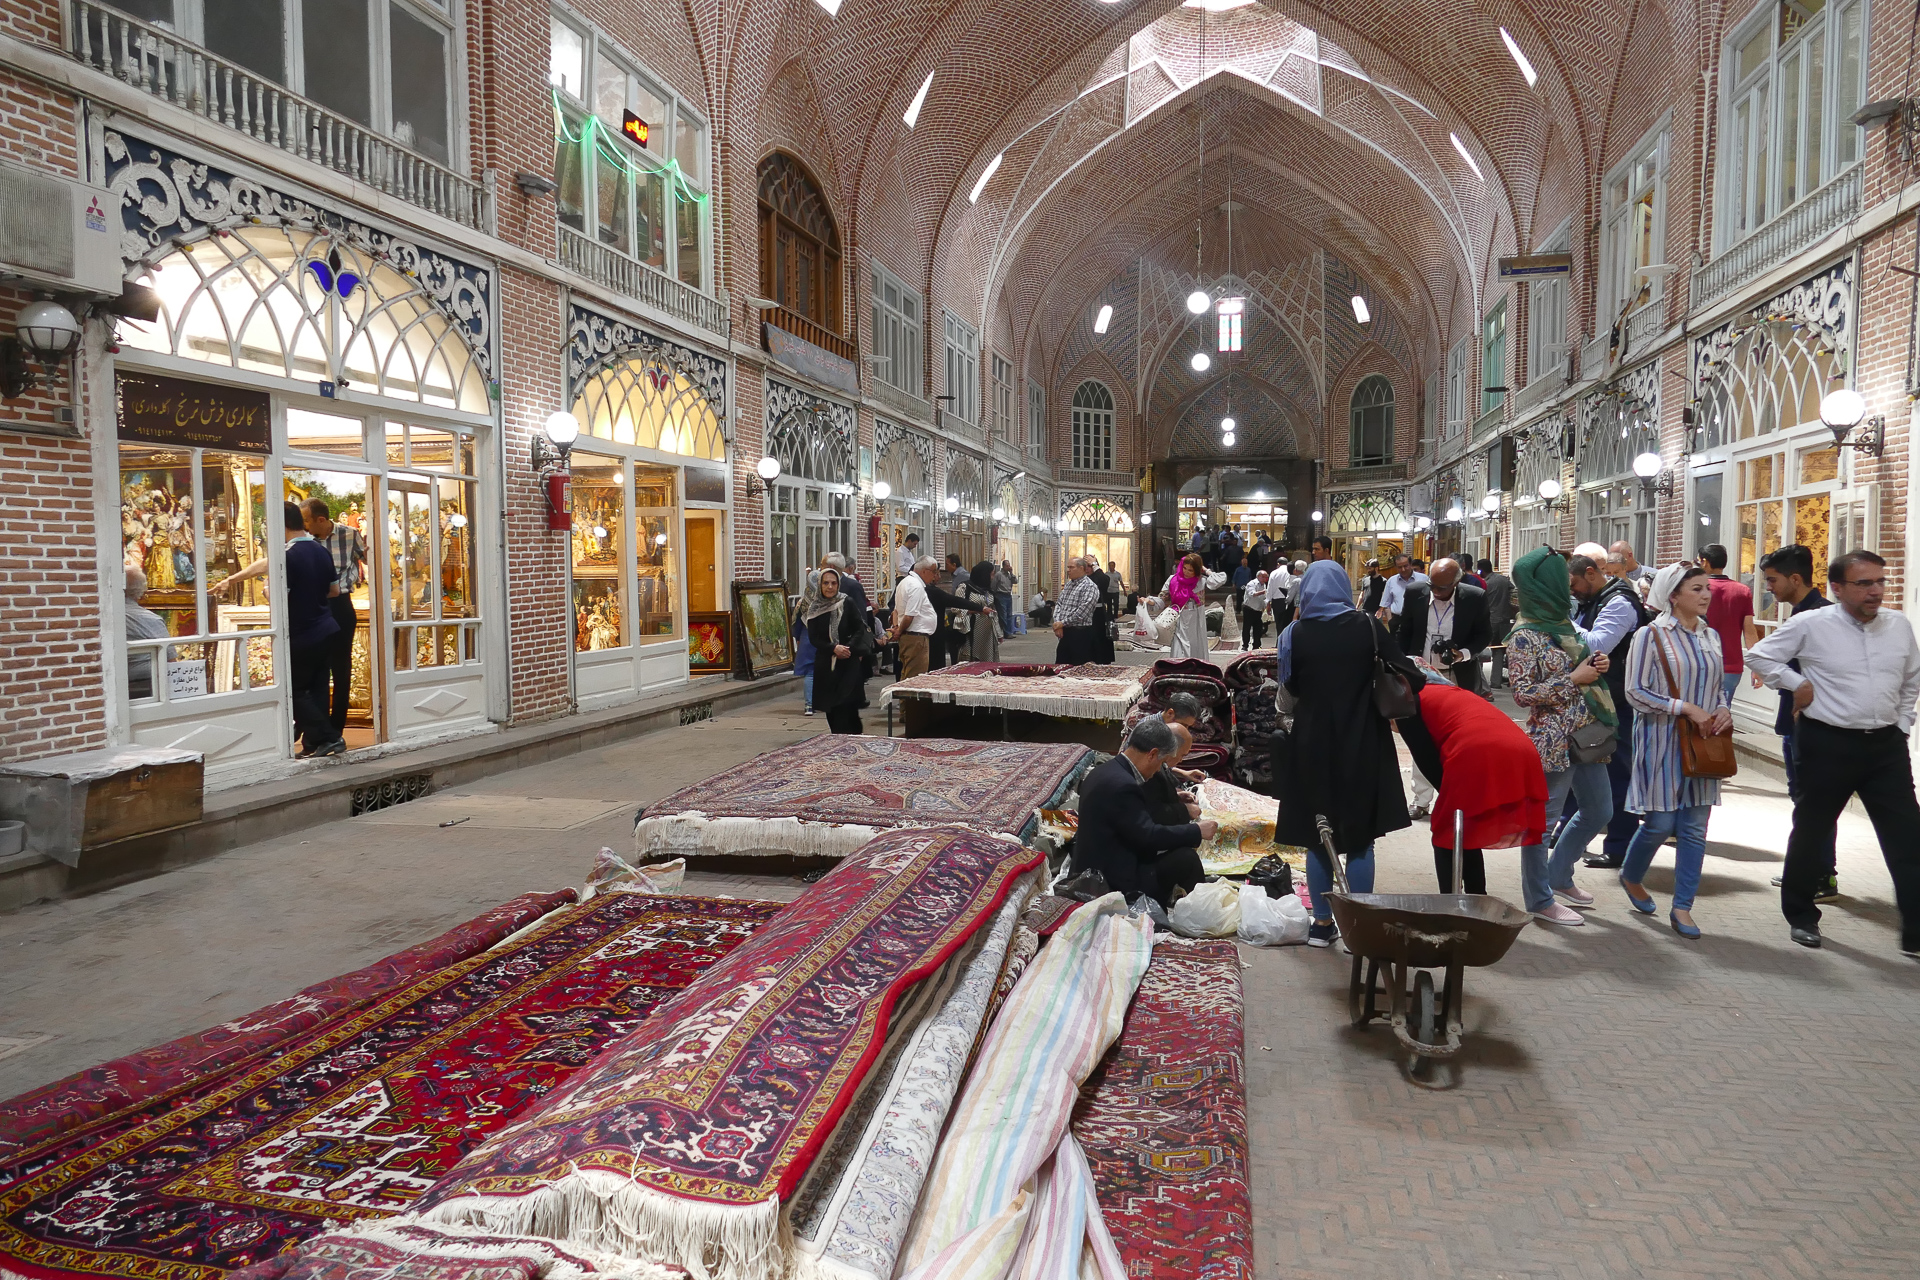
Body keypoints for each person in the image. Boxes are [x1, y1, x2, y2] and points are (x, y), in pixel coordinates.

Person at [1748, 550, 1920, 953]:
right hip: (1828, 742)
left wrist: (1903, 724)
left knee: (1908, 838)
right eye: (1864, 584)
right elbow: (1759, 655)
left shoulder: (1898, 626)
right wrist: (1794, 682)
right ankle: (1801, 915)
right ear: (1838, 588)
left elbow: (1911, 680)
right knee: (1812, 830)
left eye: (1880, 581)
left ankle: (1915, 931)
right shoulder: (1811, 624)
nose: (1875, 591)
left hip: (1886, 747)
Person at [1274, 561, 1424, 948]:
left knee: (1317, 834)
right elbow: (1409, 672)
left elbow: (1287, 694)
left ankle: (1322, 924)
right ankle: (1359, 925)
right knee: (1360, 838)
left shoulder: (1295, 633)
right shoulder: (1368, 626)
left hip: (1313, 744)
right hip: (1363, 741)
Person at [1616, 562, 1733, 938]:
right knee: (1660, 824)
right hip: (1661, 739)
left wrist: (1723, 708)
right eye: (1696, 589)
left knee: (1696, 829)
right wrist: (1683, 708)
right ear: (1673, 595)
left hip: (1705, 743)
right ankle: (1632, 875)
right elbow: (1634, 691)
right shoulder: (1650, 635)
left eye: (1706, 588)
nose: (1705, 595)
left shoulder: (1710, 635)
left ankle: (1683, 907)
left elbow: (1716, 685)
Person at [1504, 546, 1616, 926]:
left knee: (1600, 810)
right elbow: (1522, 694)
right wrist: (1573, 679)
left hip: (1585, 733)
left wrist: (1596, 664)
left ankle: (1559, 874)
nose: (1569, 584)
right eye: (1561, 578)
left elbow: (1582, 664)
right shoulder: (1525, 634)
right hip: (1552, 740)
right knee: (1542, 821)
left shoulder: (1563, 624)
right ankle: (1539, 898)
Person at [1396, 682, 1549, 894]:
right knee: (1466, 826)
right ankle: (1477, 898)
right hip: (1520, 747)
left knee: (1448, 829)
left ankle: (1450, 906)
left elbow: (1427, 761)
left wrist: (1450, 794)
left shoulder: (1407, 705)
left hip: (1478, 750)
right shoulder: (1440, 690)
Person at [1753, 546, 1839, 899]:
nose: (1769, 587)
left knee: (1813, 802)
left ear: (1795, 579)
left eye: (1772, 580)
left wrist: (1799, 685)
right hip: (1796, 723)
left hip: (1812, 726)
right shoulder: (1804, 614)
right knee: (1806, 800)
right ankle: (1813, 870)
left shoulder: (1819, 617)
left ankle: (1820, 875)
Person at [1074, 718, 1219, 909]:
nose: (1159, 770)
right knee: (1186, 859)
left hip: (1097, 864)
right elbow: (1148, 836)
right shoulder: (1123, 785)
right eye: (1161, 763)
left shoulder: (1103, 771)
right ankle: (1203, 912)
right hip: (1110, 880)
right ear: (1152, 754)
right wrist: (1196, 831)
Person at [1564, 549, 1649, 869]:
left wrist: (1562, 622)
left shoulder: (1620, 602)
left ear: (1590, 573)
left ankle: (1619, 846)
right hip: (1596, 699)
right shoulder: (1592, 599)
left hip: (1617, 702)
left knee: (1617, 773)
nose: (1571, 590)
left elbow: (1596, 644)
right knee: (1582, 767)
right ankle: (1570, 830)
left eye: (1573, 583)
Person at [281, 500, 343, 758]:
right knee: (317, 689)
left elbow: (280, 596)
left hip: (303, 631)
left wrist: (267, 590)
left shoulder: (288, 555)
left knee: (293, 691)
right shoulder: (321, 551)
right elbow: (334, 590)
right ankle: (315, 744)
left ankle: (330, 737)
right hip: (326, 627)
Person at [302, 499, 366, 741]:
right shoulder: (305, 541)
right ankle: (315, 732)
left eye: (307, 520)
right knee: (316, 669)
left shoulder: (350, 535)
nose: (304, 524)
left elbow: (368, 559)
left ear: (320, 520)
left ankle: (335, 732)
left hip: (340, 606)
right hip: (315, 606)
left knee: (341, 669)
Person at [1393, 558, 1491, 693]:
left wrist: (1463, 654)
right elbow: (1404, 632)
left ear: (1456, 583)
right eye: (1432, 585)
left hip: (1458, 676)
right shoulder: (1414, 593)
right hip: (1419, 674)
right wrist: (1401, 665)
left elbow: (1484, 635)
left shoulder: (1474, 598)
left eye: (1442, 588)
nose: (1435, 591)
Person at [805, 567, 876, 734]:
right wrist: (833, 648)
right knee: (832, 707)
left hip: (848, 661)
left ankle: (854, 740)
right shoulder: (814, 607)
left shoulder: (847, 602)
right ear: (820, 585)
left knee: (848, 706)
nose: (830, 587)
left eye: (833, 583)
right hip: (826, 664)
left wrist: (847, 647)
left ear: (838, 585)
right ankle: (837, 741)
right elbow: (814, 638)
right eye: (826, 583)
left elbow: (859, 628)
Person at [1700, 543, 1759, 699]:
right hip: (1732, 665)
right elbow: (1749, 631)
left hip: (1702, 662)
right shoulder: (1742, 590)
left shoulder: (1698, 590)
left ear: (1705, 562)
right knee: (1723, 712)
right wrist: (1757, 665)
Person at [1161, 552, 1226, 660]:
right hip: (1179, 618)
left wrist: (1205, 570)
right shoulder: (1173, 580)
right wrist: (1149, 601)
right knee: (1180, 647)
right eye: (1184, 568)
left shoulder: (1201, 581)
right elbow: (1162, 597)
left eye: (1190, 570)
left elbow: (1220, 579)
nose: (1186, 572)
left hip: (1196, 619)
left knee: (1196, 646)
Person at [887, 556, 940, 678]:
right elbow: (909, 615)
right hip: (916, 638)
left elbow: (896, 611)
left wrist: (896, 627)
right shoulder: (916, 586)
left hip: (910, 636)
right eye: (934, 572)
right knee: (915, 677)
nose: (934, 576)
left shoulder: (904, 582)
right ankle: (908, 698)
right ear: (924, 571)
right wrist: (898, 632)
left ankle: (905, 698)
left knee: (907, 674)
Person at [123, 565, 170, 700]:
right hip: (149, 688)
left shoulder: (104, 615)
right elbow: (171, 662)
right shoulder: (151, 619)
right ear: (142, 592)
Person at [1051, 556, 1103, 663]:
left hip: (1080, 634)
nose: (1068, 570)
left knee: (1078, 667)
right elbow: (1059, 604)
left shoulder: (1089, 587)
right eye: (1068, 567)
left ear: (1081, 568)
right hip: (1065, 633)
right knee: (1061, 665)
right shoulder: (1069, 585)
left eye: (1071, 567)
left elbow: (1082, 612)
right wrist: (1057, 623)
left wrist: (1062, 623)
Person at [1480, 558, 1515, 687]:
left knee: (1482, 649)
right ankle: (1496, 680)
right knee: (1499, 649)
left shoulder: (1485, 584)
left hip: (1491, 619)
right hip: (1505, 619)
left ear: (1481, 570)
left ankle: (1481, 682)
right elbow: (1513, 590)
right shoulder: (1503, 580)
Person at [965, 558, 1001, 663]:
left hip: (988, 632)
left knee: (987, 659)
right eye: (991, 574)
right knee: (973, 659)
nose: (992, 577)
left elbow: (994, 612)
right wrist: (978, 610)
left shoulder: (988, 591)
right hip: (972, 628)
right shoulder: (966, 588)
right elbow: (957, 608)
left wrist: (999, 633)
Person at [1377, 554, 1428, 620]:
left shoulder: (1424, 579)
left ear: (1410, 565)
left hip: (1419, 619)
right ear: (1396, 567)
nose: (1403, 569)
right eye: (1399, 567)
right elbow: (1386, 604)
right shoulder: (1391, 581)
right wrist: (1390, 622)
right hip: (1398, 620)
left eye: (1405, 566)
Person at [1087, 558, 1116, 664]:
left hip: (1099, 612)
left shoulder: (1099, 577)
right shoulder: (1083, 578)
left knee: (1100, 637)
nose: (1087, 569)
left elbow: (1104, 580)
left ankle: (1102, 660)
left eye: (1089, 566)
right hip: (1086, 613)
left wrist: (1094, 564)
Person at [1240, 569, 1272, 650]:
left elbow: (1264, 598)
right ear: (1258, 576)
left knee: (1258, 628)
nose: (1265, 579)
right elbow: (1252, 594)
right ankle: (1245, 645)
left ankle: (1256, 645)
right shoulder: (1251, 583)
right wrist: (1263, 592)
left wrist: (1267, 606)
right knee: (1247, 628)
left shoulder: (1264, 585)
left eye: (1266, 577)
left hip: (1258, 610)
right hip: (1249, 608)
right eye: (1263, 577)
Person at [991, 559, 1017, 636]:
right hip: (1001, 595)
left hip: (1008, 595)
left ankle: (1009, 631)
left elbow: (1015, 581)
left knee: (1009, 614)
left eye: (1009, 565)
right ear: (1003, 566)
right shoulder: (999, 574)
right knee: (1003, 615)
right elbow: (993, 585)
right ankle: (1006, 632)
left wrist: (1012, 573)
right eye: (1007, 566)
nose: (1008, 567)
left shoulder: (1009, 575)